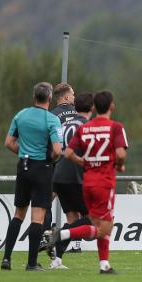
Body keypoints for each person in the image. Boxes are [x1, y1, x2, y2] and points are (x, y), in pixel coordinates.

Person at [47, 90, 127, 274]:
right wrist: (118, 164)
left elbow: (66, 153)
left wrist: (85, 161)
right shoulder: (114, 127)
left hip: (78, 179)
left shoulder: (81, 127)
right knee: (104, 226)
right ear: (111, 106)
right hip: (99, 181)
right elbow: (121, 154)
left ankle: (66, 257)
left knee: (87, 222)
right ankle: (65, 234)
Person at [1, 82, 64, 271]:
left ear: (34, 97)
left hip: (24, 167)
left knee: (18, 215)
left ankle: (6, 259)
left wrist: (24, 152)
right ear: (50, 98)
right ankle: (31, 263)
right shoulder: (52, 120)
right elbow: (57, 151)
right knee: (37, 218)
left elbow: (9, 143)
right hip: (42, 169)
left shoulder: (21, 115)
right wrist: (50, 159)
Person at [46, 92, 94, 268]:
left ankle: (57, 260)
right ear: (91, 108)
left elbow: (55, 147)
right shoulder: (87, 125)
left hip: (58, 174)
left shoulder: (65, 124)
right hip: (75, 176)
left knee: (73, 220)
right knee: (92, 220)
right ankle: (60, 234)